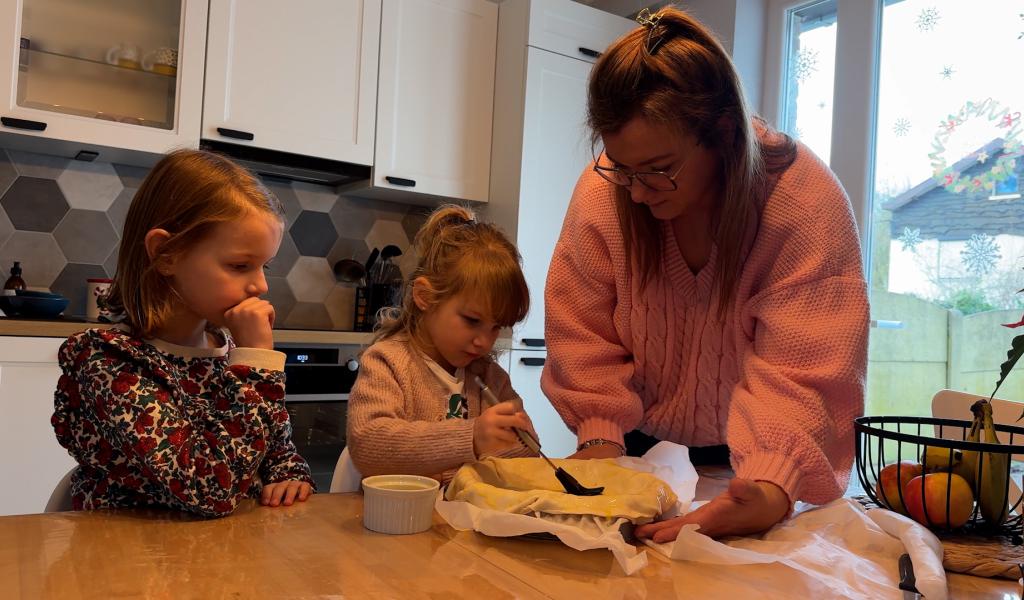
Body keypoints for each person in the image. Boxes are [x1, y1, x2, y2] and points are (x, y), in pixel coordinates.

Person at [541, 7, 869, 541]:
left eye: (658, 169)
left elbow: (806, 370)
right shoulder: (605, 193)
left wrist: (767, 488)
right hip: (629, 452)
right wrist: (599, 443)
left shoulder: (803, 204)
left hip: (750, 470)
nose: (638, 190)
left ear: (720, 133)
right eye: (621, 167)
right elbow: (582, 333)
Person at [51, 149, 315, 517]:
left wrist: (288, 472)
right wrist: (256, 365)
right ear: (166, 254)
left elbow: (274, 445)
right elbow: (206, 488)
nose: (260, 285)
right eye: (240, 265)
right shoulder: (110, 363)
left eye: (264, 266)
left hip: (225, 555)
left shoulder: (231, 350)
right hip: (126, 561)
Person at [346, 205, 538, 483]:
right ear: (425, 296)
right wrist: (471, 438)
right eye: (472, 320)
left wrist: (517, 439)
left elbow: (526, 455)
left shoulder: (490, 377)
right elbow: (368, 447)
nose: (483, 341)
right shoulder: (387, 362)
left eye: (496, 327)